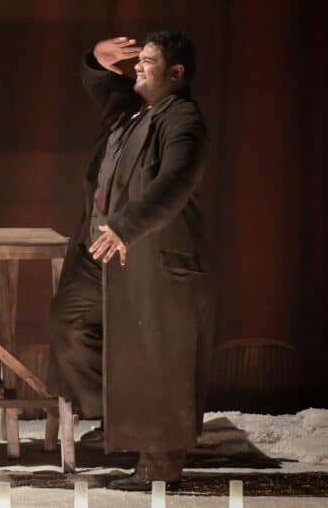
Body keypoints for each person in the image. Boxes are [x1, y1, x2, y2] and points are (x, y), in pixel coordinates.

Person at [49, 32, 215, 491]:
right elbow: (102, 83)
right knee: (71, 322)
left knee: (156, 355)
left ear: (177, 73)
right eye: (137, 61)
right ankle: (123, 417)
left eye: (148, 61)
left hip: (147, 250)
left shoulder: (182, 118)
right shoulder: (135, 108)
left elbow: (177, 181)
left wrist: (127, 225)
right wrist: (97, 61)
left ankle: (159, 464)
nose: (138, 67)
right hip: (102, 246)